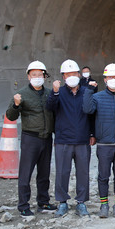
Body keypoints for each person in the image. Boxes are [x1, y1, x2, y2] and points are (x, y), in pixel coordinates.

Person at [6, 61, 56, 217]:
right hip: (30, 138)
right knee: (26, 173)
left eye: (40, 74)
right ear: (28, 76)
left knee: (44, 172)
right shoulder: (21, 94)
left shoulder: (49, 93)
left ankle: (43, 202)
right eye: (34, 74)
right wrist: (15, 105)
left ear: (44, 76)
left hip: (46, 138)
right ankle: (23, 205)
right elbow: (10, 116)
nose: (37, 77)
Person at [46, 59, 94, 217]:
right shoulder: (59, 93)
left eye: (74, 73)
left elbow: (92, 114)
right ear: (63, 76)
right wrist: (54, 92)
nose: (71, 76)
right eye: (67, 74)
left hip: (82, 140)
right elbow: (50, 107)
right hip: (63, 140)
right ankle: (62, 202)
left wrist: (92, 134)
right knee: (62, 172)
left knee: (83, 172)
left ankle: (81, 202)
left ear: (79, 75)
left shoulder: (86, 92)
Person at [83, 63, 115, 218]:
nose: (113, 79)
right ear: (105, 79)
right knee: (103, 176)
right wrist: (89, 91)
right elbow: (87, 109)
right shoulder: (97, 97)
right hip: (104, 144)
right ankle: (103, 205)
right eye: (110, 77)